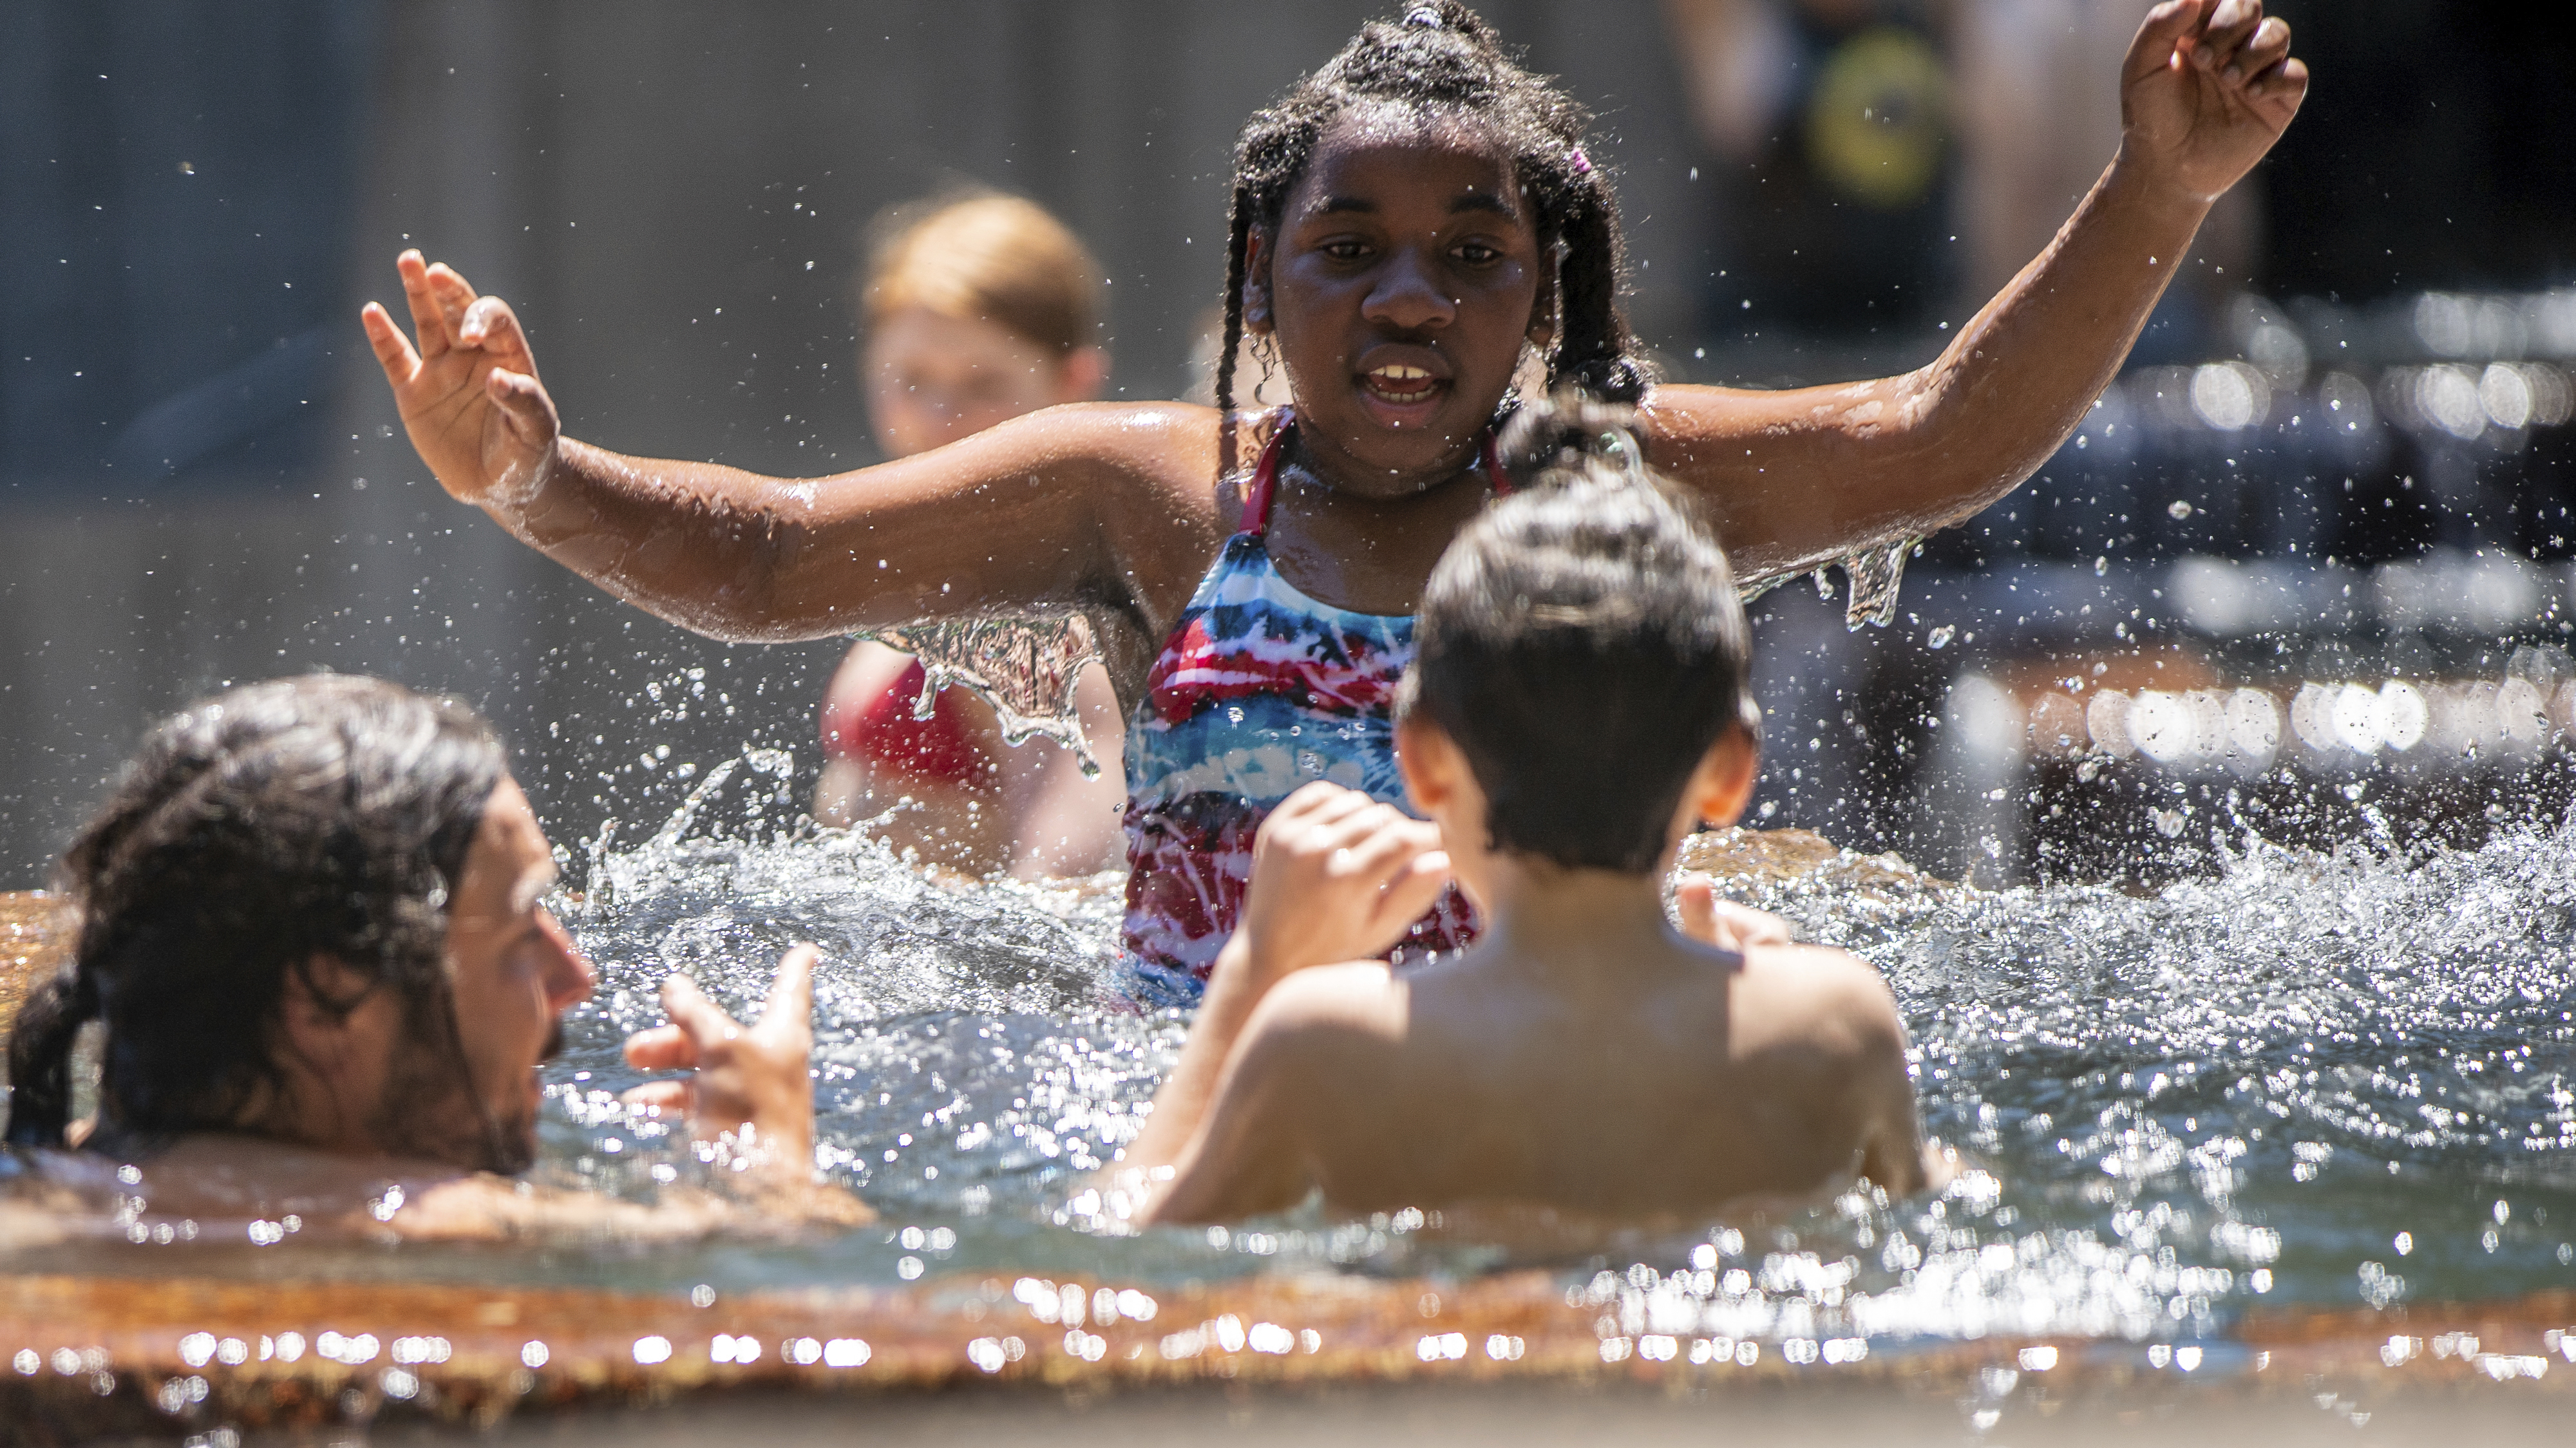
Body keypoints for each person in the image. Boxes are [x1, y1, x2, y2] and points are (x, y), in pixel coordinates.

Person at [361, 1, 2306, 989]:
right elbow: (780, 553)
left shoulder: (1609, 482)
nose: (1404, 291)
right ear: (1258, 277)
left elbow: (1931, 439)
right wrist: (535, 472)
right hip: (1215, 1082)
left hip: (1543, 1091)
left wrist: (2159, 188)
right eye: (1348, 245)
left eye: (1471, 252)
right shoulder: (1152, 494)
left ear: (1546, 295)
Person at [1110, 402, 1929, 1221]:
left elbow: (1129, 1245)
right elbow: (1927, 1196)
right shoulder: (1836, 1025)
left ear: (1422, 759)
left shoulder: (1332, 1040)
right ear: (1729, 772)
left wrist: (1253, 973)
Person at [1, 675, 865, 1241]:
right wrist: (773, 1163)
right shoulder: (433, 1225)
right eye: (524, 927)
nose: (577, 979)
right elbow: (815, 1290)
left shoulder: (55, 1183)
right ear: (327, 994)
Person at [817, 193, 1128, 878]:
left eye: (983, 383)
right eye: (912, 380)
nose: (939, 416)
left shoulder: (1038, 595)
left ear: (1073, 383)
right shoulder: (954, 561)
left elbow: (1066, 883)